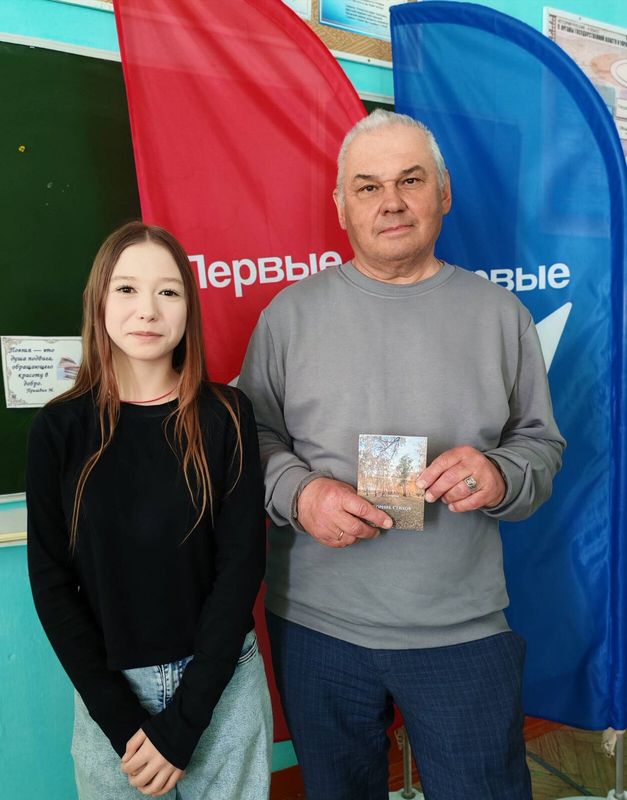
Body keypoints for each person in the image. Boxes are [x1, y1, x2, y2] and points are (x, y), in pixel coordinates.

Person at [238, 109, 565, 799]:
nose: (390, 202)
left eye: (410, 181)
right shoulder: (288, 316)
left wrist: (499, 473)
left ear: (443, 194)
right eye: (368, 186)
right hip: (317, 629)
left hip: (462, 632)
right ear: (340, 206)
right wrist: (301, 493)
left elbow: (540, 445)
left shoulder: (501, 315)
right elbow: (248, 438)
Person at [27, 222, 272, 799]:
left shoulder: (227, 414)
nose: (148, 310)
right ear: (99, 300)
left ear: (188, 306)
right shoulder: (59, 429)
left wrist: (185, 724)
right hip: (110, 694)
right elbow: (52, 585)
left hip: (221, 681)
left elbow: (241, 567)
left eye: (168, 291)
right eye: (127, 289)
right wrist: (120, 722)